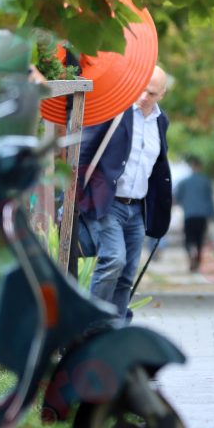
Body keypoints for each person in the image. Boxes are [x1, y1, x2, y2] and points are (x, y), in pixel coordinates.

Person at [78, 65, 172, 320]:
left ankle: (115, 331)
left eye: (151, 93)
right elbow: (85, 152)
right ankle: (88, 326)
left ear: (161, 94)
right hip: (107, 203)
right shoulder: (115, 111)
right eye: (141, 88)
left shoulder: (161, 121)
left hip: (136, 208)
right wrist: (76, 195)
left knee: (128, 272)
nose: (144, 96)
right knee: (113, 259)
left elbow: (157, 168)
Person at [175, 156, 214, 272]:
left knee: (188, 239)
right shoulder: (206, 181)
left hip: (189, 215)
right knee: (199, 239)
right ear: (200, 167)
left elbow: (178, 199)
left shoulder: (183, 182)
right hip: (202, 215)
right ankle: (197, 259)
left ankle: (190, 255)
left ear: (191, 167)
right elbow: (210, 200)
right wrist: (213, 217)